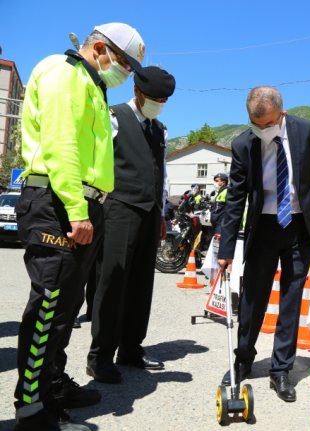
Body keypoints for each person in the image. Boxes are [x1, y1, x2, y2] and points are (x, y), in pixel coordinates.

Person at [14, 22, 146, 431]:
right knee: (50, 309)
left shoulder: (91, 84)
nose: (125, 72)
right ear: (101, 48)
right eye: (124, 62)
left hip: (82, 202)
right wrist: (76, 209)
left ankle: (53, 384)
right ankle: (33, 411)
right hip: (59, 203)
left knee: (67, 308)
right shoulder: (64, 73)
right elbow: (62, 145)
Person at [217, 86, 310, 403]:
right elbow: (235, 199)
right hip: (263, 227)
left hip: (299, 228)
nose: (260, 129)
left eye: (266, 124)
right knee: (252, 299)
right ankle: (243, 359)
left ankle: (281, 369)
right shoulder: (243, 144)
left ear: (281, 114)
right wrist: (226, 250)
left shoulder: (306, 131)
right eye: (255, 123)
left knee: (291, 300)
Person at [86, 66, 174, 384]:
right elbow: (95, 160)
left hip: (150, 213)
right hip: (119, 208)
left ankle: (131, 348)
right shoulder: (114, 117)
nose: (159, 104)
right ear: (137, 92)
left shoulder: (159, 129)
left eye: (163, 100)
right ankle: (100, 356)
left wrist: (162, 213)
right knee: (112, 281)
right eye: (154, 98)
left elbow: (161, 172)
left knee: (141, 284)